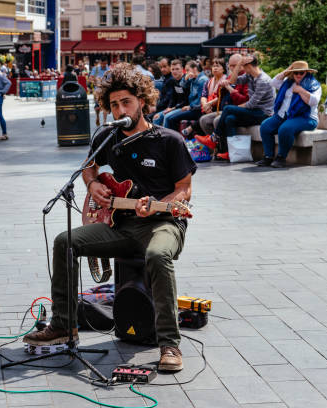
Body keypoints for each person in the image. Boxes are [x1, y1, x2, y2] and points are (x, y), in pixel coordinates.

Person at [22, 63, 197, 373]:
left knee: (157, 255)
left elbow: (184, 190)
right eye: (114, 104)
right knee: (65, 242)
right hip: (121, 224)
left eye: (126, 101)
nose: (120, 109)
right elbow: (89, 165)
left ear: (141, 100)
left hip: (163, 222)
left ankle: (169, 343)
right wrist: (93, 184)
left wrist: (161, 204)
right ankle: (63, 324)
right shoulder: (108, 135)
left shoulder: (168, 140)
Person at [195, 54, 274, 160]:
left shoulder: (263, 80)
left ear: (248, 66)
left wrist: (236, 108)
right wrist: (240, 64)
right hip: (254, 111)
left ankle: (214, 138)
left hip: (262, 114)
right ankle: (232, 152)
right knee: (229, 119)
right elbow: (233, 81)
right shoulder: (250, 76)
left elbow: (251, 104)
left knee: (228, 109)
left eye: (243, 66)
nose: (242, 69)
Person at [256, 60, 321, 168]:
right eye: (296, 72)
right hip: (284, 115)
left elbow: (313, 101)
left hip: (306, 118)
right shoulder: (287, 82)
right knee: (265, 126)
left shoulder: (314, 85)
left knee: (285, 128)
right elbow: (274, 82)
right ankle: (268, 157)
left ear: (307, 72)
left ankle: (281, 158)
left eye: (302, 72)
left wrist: (300, 90)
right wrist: (287, 70)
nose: (298, 75)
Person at [170, 60, 209, 133]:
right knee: (171, 118)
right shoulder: (192, 78)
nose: (186, 72)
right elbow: (182, 85)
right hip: (192, 108)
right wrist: (185, 78)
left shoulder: (202, 80)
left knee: (172, 119)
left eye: (188, 70)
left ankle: (176, 141)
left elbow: (201, 100)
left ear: (195, 69)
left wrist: (190, 106)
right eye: (186, 70)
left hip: (198, 110)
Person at [195, 58, 228, 135]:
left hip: (220, 107)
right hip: (209, 107)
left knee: (203, 118)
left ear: (223, 69)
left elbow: (222, 97)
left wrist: (209, 104)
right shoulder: (208, 81)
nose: (215, 68)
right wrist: (205, 105)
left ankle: (212, 142)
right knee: (200, 114)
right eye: (213, 66)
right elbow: (203, 95)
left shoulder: (226, 80)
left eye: (218, 66)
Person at [153, 59, 186, 127]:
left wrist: (172, 108)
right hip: (175, 107)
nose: (175, 71)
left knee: (167, 117)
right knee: (157, 117)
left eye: (177, 69)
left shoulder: (186, 80)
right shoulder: (173, 81)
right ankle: (157, 137)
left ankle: (167, 137)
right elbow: (172, 98)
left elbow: (186, 101)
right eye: (173, 69)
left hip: (184, 107)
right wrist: (169, 107)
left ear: (182, 69)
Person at [89, 59, 110, 126]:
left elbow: (110, 79)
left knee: (105, 105)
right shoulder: (96, 69)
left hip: (105, 90)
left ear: (106, 63)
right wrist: (95, 81)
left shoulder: (108, 69)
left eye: (105, 64)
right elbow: (90, 78)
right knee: (97, 106)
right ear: (100, 63)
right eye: (102, 64)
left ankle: (104, 121)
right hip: (97, 90)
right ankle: (97, 116)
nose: (104, 65)